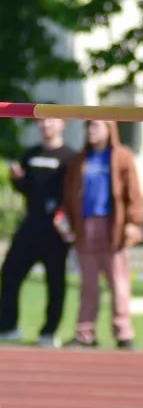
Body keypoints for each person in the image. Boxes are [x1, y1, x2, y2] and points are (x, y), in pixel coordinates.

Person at [62, 121, 143, 349]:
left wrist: (134, 222)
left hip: (113, 226)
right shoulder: (80, 160)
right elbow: (69, 194)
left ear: (110, 130)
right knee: (88, 285)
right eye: (88, 127)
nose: (91, 130)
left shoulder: (122, 157)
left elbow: (133, 192)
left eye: (96, 126)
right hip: (85, 226)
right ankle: (85, 333)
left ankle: (123, 333)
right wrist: (66, 219)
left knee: (118, 282)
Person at [0, 119, 77, 347]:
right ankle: (7, 326)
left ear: (62, 124)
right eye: (41, 121)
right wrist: (17, 180)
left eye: (51, 120)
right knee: (10, 272)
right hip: (31, 224)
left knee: (55, 281)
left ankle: (49, 332)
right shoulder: (30, 154)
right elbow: (27, 189)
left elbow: (73, 191)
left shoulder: (71, 157)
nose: (46, 125)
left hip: (56, 229)